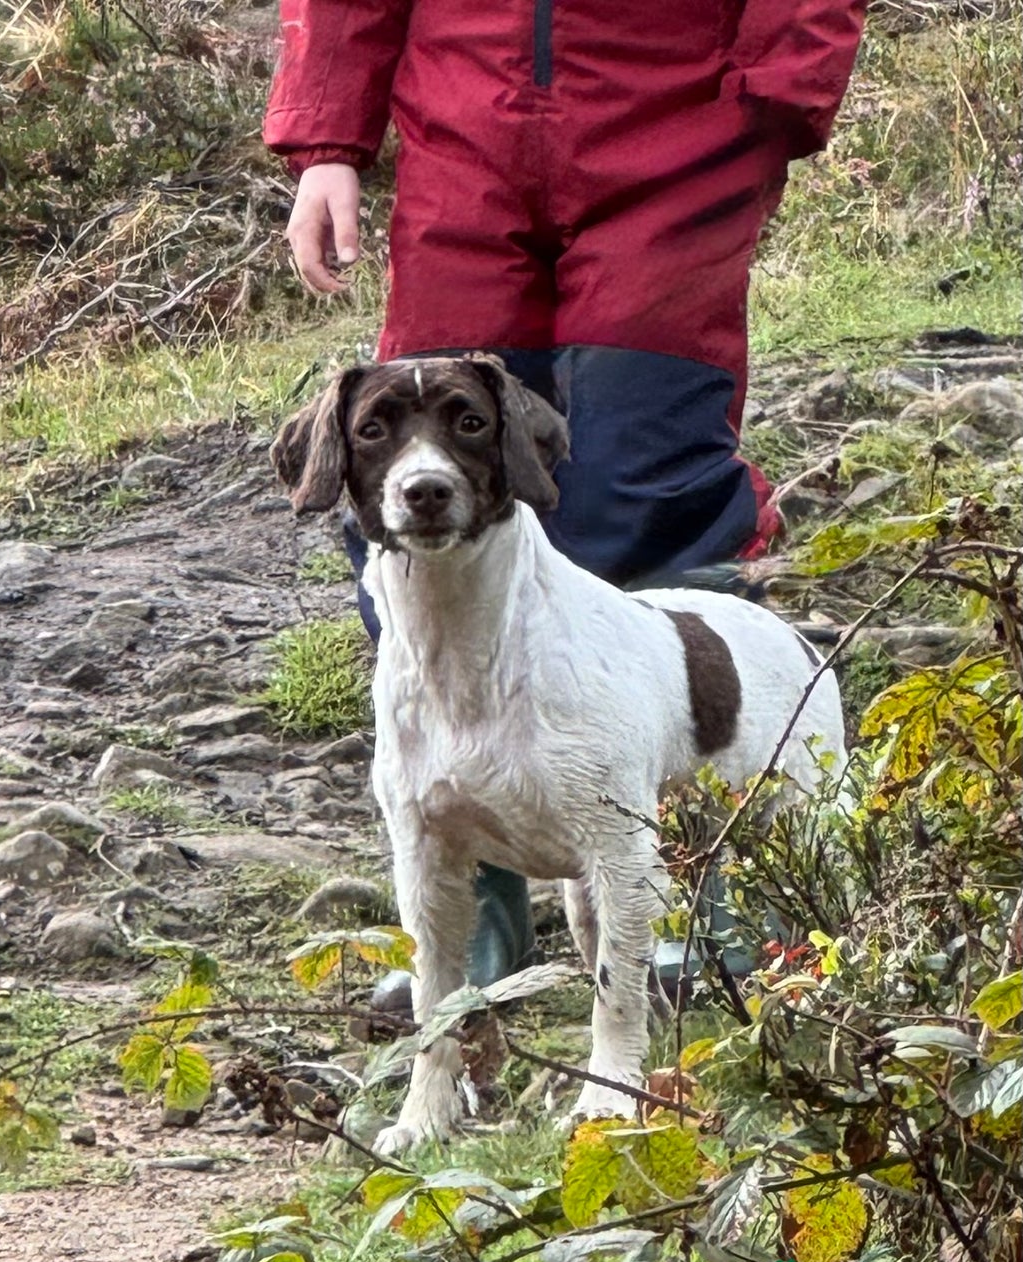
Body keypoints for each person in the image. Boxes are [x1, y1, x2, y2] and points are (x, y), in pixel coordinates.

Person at [264, 0, 868, 993]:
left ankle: (705, 891)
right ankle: (476, 914)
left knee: (651, 482)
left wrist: (780, 96)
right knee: (418, 487)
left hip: (678, 120)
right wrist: (328, 140)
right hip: (461, 127)